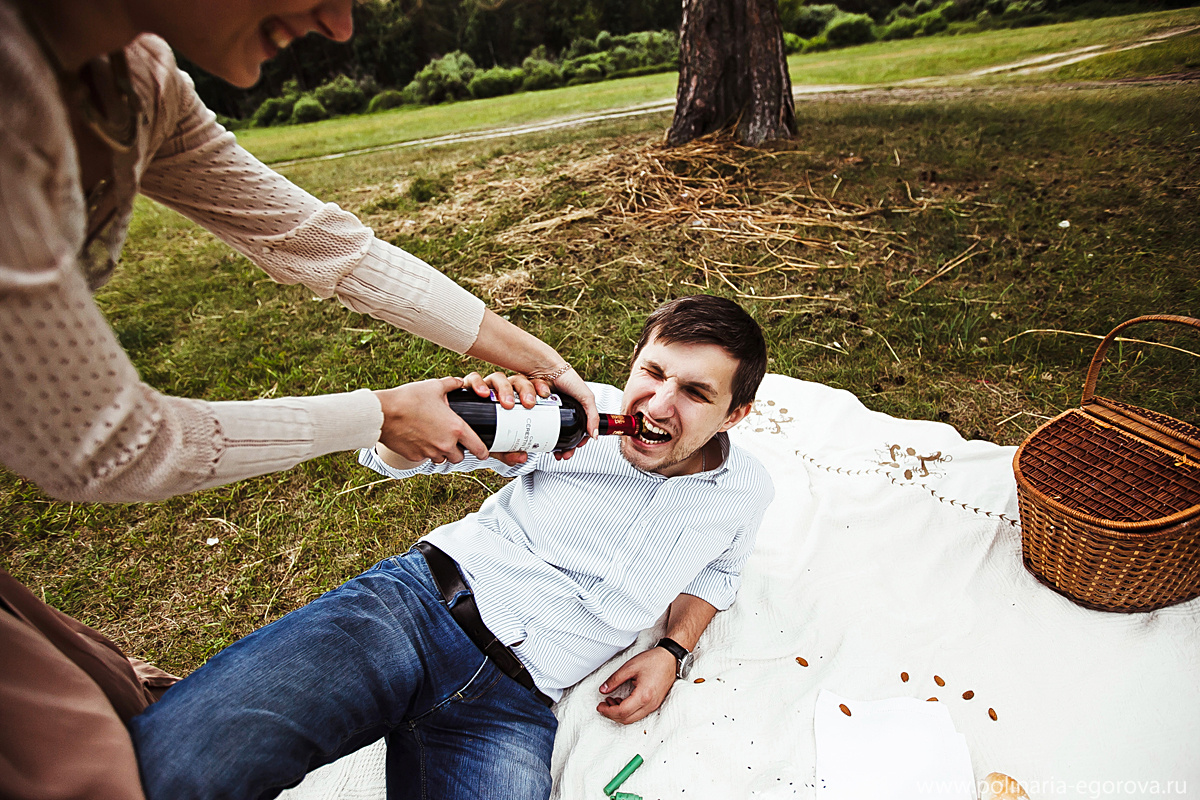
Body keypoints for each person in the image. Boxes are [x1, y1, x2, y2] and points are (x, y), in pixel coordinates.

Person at [0, 1, 595, 798]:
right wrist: (379, 415)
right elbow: (107, 443)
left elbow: (318, 242)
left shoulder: (140, 81)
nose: (340, 24)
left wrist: (531, 356)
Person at [129, 295, 776, 800]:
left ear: (734, 415)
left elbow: (718, 572)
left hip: (513, 707)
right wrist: (408, 436)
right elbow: (397, 458)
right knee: (173, 774)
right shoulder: (573, 415)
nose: (660, 404)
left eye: (695, 392)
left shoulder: (745, 491)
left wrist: (670, 649)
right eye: (654, 373)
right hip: (413, 612)